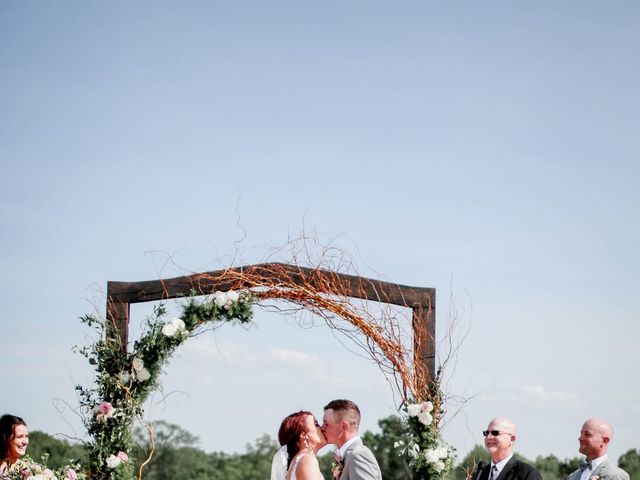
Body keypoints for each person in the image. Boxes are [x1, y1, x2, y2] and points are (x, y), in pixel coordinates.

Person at [321, 399, 382, 480]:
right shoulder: (348, 456)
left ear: (344, 426)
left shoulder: (359, 455)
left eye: (326, 423)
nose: (322, 427)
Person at [473, 417, 541, 480]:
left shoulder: (527, 474)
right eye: (486, 433)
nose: (489, 437)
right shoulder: (479, 475)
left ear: (512, 439)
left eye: (495, 433)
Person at [272, 410, 326, 480]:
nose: (322, 428)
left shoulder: (299, 461)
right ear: (304, 435)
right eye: (316, 425)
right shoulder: (307, 460)